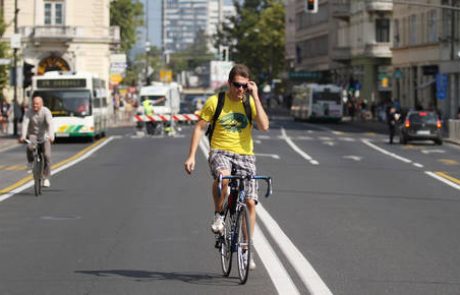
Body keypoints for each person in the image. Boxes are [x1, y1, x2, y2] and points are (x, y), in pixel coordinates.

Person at [184, 64, 269, 270]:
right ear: (229, 83)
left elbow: (264, 127)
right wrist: (192, 156)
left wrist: (256, 96)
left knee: (249, 202)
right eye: (237, 85)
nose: (241, 90)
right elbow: (199, 127)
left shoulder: (249, 102)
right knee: (224, 179)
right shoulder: (216, 101)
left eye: (244, 86)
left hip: (245, 155)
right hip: (220, 151)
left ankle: (247, 248)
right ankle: (219, 214)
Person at [19, 96, 54, 187]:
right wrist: (23, 136)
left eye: (37, 104)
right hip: (33, 135)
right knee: (30, 147)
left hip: (44, 135)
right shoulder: (28, 112)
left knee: (47, 156)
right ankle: (30, 162)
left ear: (41, 104)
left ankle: (46, 178)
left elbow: (50, 124)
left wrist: (51, 136)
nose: (35, 105)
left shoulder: (46, 111)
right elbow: (25, 124)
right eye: (33, 103)